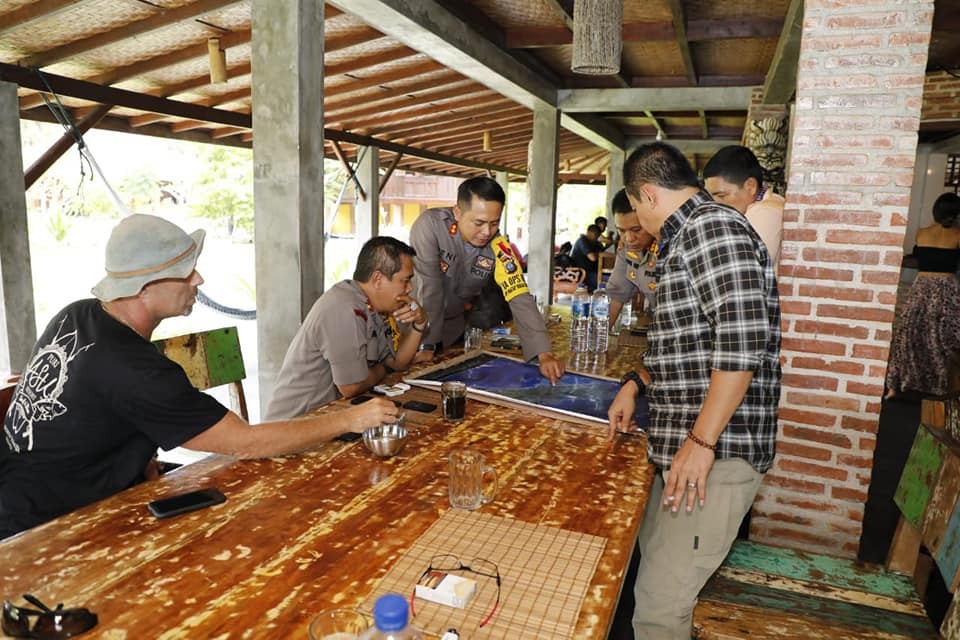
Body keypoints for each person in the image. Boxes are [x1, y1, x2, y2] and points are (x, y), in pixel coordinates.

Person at [0, 214, 398, 539]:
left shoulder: (78, 312)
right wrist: (351, 418)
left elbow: (98, 416)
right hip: (41, 532)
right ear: (144, 288)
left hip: (23, 491)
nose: (199, 280)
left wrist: (143, 462)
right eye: (186, 272)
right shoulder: (137, 369)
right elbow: (245, 442)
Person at [607, 142, 781, 639]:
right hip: (689, 449)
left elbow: (742, 346)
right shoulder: (690, 236)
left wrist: (702, 441)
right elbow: (690, 343)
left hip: (715, 455)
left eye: (638, 209)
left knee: (661, 606)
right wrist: (636, 383)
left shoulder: (713, 230)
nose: (640, 220)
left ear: (646, 194)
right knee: (650, 575)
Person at [409, 176, 564, 383]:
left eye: (494, 223)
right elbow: (429, 288)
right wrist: (427, 344)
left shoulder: (498, 246)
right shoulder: (430, 226)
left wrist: (544, 353)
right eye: (479, 223)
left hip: (451, 331)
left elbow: (518, 294)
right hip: (413, 329)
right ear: (457, 212)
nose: (486, 232)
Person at [263, 236, 428, 421]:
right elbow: (351, 387)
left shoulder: (375, 309)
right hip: (295, 427)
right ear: (378, 279)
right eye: (405, 281)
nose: (409, 289)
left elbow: (397, 362)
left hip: (330, 419)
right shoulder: (344, 307)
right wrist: (383, 369)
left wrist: (419, 324)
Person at [886, 192, 960, 398]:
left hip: (922, 287)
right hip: (946, 289)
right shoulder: (957, 235)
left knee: (911, 335)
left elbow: (918, 259)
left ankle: (900, 383)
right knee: (944, 338)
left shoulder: (922, 233)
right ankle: (941, 386)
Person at [702, 144, 785, 269]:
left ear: (750, 186)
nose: (714, 205)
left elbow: (736, 272)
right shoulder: (765, 205)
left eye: (722, 195)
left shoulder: (765, 213)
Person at [605, 188, 658, 326]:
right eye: (621, 230)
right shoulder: (626, 249)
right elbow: (616, 295)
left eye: (636, 230)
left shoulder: (670, 247)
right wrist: (598, 338)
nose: (629, 238)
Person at [570, 223, 604, 291]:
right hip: (581, 272)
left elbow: (601, 250)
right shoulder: (582, 241)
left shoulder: (592, 243)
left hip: (589, 271)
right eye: (596, 235)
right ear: (589, 232)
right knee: (600, 280)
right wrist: (599, 254)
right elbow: (593, 258)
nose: (596, 237)